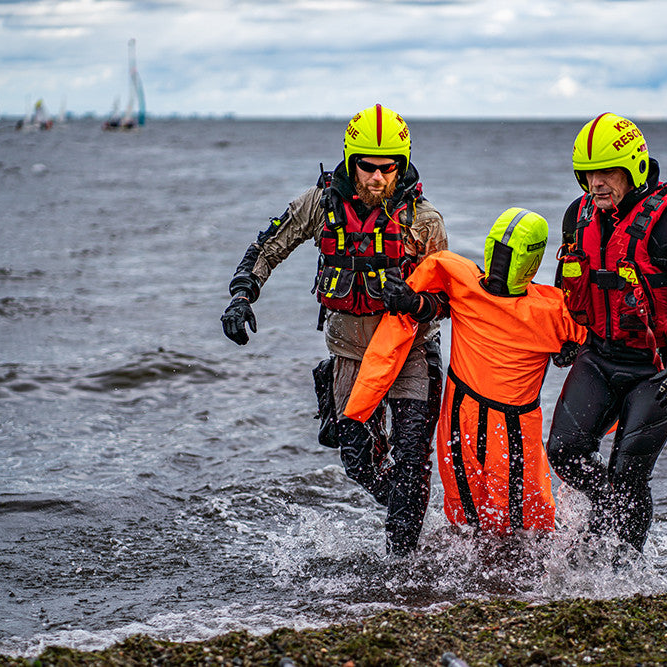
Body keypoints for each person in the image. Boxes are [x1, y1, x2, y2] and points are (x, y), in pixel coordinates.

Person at [220, 104, 447, 555]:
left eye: (388, 169)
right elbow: (269, 245)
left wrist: (415, 301)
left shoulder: (424, 221)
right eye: (367, 168)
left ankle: (402, 564)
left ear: (402, 165)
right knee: (358, 462)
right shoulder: (320, 204)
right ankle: (409, 515)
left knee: (411, 463)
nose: (377, 179)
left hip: (410, 354)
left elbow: (445, 301)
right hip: (348, 353)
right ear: (349, 160)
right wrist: (242, 294)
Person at [344, 208, 586, 535]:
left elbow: (602, 347)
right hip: (462, 425)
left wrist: (575, 352)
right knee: (466, 523)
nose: (500, 263)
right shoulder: (463, 280)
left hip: (506, 430)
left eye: (508, 255)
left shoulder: (552, 310)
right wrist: (410, 302)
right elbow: (429, 309)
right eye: (498, 252)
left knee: (524, 529)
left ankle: (517, 580)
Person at [546, 112, 667, 551]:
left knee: (629, 470)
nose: (597, 183)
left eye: (608, 171)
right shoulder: (580, 214)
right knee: (564, 453)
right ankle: (604, 524)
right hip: (600, 354)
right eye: (588, 173)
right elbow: (566, 280)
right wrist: (567, 336)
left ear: (635, 168)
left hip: (659, 367)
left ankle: (625, 570)